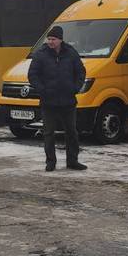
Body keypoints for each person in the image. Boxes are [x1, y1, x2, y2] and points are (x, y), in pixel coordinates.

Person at [27, 26, 87, 171]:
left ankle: (72, 161)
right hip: (49, 101)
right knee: (48, 133)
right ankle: (50, 162)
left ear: (60, 40)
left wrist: (75, 88)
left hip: (68, 100)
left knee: (71, 131)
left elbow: (81, 72)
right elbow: (32, 75)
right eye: (49, 39)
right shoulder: (41, 54)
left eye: (53, 39)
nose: (50, 42)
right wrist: (42, 90)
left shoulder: (71, 53)